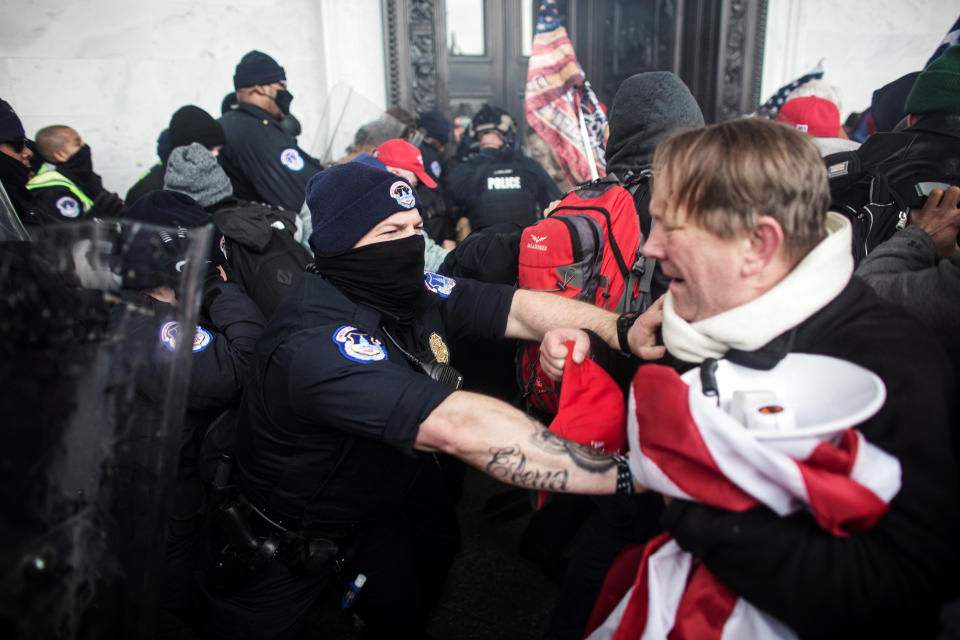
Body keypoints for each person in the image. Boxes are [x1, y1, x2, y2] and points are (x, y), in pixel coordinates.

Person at [196, 161, 664, 639]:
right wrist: (627, 473)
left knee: (412, 599)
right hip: (288, 551)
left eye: (416, 226)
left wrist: (621, 329)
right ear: (339, 244)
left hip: (380, 514)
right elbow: (456, 425)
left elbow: (515, 308)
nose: (409, 242)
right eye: (390, 230)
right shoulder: (313, 341)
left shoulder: (413, 292)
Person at [541, 117, 960, 638]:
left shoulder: (890, 363)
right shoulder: (692, 320)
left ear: (758, 245)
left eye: (671, 227)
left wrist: (700, 512)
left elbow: (903, 584)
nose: (649, 247)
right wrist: (590, 362)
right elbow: (626, 514)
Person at [542, 70, 706, 638]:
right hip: (657, 392)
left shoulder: (585, 197)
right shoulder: (691, 199)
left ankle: (542, 551)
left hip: (587, 380)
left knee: (604, 503)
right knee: (626, 522)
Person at [219, 50, 322, 212]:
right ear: (261, 88)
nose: (286, 92)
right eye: (282, 85)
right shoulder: (254, 131)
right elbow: (301, 192)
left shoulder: (242, 122)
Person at [446, 104, 560, 238]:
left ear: (475, 136)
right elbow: (556, 207)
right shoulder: (530, 167)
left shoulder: (463, 172)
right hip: (526, 251)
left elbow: (448, 219)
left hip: (481, 254)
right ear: (507, 134)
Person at [22, 125, 125, 223]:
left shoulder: (77, 176)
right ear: (60, 155)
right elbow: (72, 233)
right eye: (77, 144)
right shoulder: (52, 191)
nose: (84, 147)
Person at [415, 110, 457, 248]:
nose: (443, 149)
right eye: (441, 144)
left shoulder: (416, 149)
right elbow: (435, 189)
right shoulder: (429, 156)